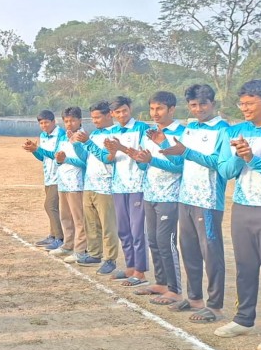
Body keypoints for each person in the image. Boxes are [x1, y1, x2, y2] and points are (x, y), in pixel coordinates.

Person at [212, 80, 261, 350]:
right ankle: (243, 319)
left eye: (250, 103)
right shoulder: (235, 131)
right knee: (245, 268)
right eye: (241, 103)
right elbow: (225, 171)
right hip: (243, 206)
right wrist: (239, 154)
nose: (244, 108)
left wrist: (254, 158)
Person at [160, 84, 229, 324]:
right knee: (189, 250)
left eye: (203, 104)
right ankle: (194, 298)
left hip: (208, 201)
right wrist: (167, 150)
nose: (198, 109)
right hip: (185, 197)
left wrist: (187, 152)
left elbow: (220, 164)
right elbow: (182, 162)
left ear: (213, 104)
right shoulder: (189, 129)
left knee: (210, 253)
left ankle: (215, 305)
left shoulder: (223, 130)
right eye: (193, 105)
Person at [129, 91, 185, 304]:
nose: (155, 113)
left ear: (171, 109)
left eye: (160, 109)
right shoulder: (149, 133)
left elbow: (179, 166)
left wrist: (153, 158)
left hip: (169, 196)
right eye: (152, 109)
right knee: (152, 240)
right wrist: (140, 159)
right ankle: (161, 282)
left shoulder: (181, 133)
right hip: (150, 193)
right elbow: (144, 164)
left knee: (165, 242)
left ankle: (175, 289)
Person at [34, 107, 93, 265]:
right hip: (63, 182)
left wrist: (65, 159)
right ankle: (68, 245)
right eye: (66, 121)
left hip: (77, 184)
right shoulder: (63, 137)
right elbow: (57, 158)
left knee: (79, 219)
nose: (69, 124)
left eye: (73, 120)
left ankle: (80, 250)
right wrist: (59, 160)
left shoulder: (83, 137)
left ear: (80, 120)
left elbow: (84, 161)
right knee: (66, 217)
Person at [102, 96, 150, 287]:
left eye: (124, 111)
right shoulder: (112, 131)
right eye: (117, 112)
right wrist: (113, 152)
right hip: (118, 186)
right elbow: (108, 159)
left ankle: (140, 272)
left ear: (130, 109)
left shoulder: (142, 129)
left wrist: (120, 147)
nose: (121, 115)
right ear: (112, 114)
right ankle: (130, 266)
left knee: (137, 230)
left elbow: (143, 156)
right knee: (124, 230)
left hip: (137, 186)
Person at [71, 101, 120, 275]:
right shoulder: (95, 134)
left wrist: (88, 142)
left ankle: (110, 259)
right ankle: (94, 253)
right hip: (90, 184)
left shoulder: (114, 134)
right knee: (91, 223)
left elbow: (107, 158)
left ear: (109, 115)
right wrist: (76, 144)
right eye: (92, 118)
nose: (95, 121)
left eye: (98, 117)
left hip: (106, 186)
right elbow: (87, 157)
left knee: (108, 226)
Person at [23, 110, 64, 251]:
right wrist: (34, 150)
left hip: (60, 176)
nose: (44, 125)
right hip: (49, 176)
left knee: (50, 206)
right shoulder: (43, 136)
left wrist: (38, 148)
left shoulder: (61, 135)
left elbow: (57, 155)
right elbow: (43, 157)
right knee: (52, 207)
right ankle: (53, 235)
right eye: (41, 123)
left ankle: (60, 238)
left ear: (54, 121)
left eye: (46, 122)